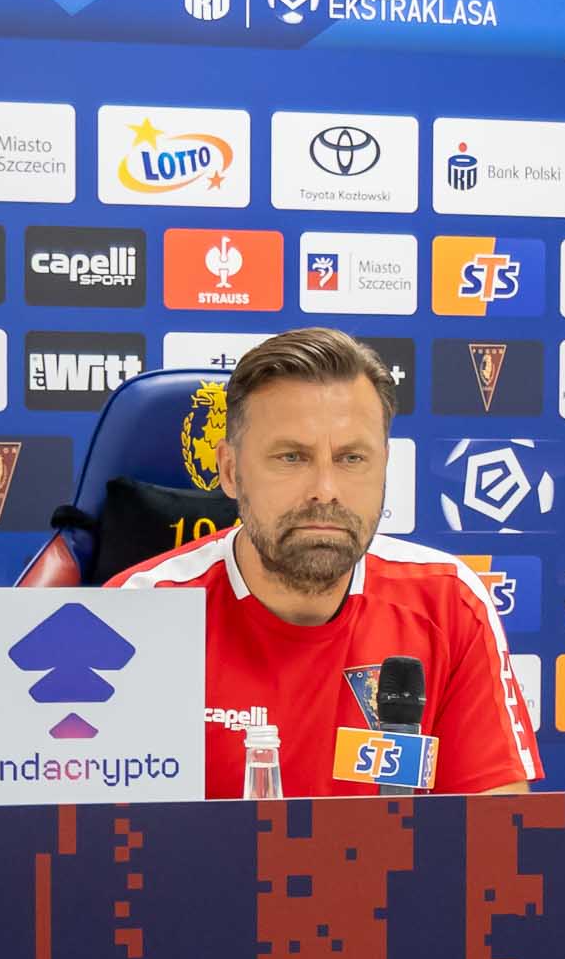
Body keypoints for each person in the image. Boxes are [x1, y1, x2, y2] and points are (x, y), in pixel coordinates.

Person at [108, 327, 541, 797]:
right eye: (292, 457)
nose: (325, 490)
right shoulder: (137, 614)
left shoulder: (449, 603)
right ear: (230, 471)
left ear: (384, 466)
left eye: (351, 458)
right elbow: (104, 833)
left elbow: (494, 829)